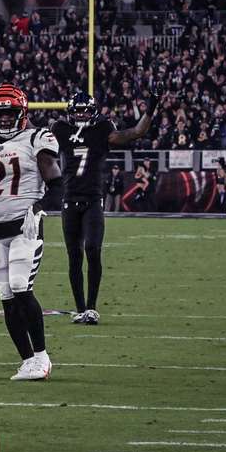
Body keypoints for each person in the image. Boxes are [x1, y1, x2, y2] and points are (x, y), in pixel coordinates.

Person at [0, 83, 64, 381]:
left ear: (21, 113)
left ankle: (42, 357)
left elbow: (57, 183)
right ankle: (26, 360)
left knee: (21, 285)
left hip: (26, 225)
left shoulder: (37, 138)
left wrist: (38, 208)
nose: (5, 119)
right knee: (6, 295)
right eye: (1, 114)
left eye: (10, 113)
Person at [52, 86, 162, 325]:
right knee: (74, 257)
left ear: (92, 112)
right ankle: (80, 308)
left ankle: (91, 308)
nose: (81, 116)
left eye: (84, 112)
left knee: (92, 249)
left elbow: (135, 132)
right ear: (70, 112)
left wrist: (152, 105)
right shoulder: (59, 129)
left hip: (92, 200)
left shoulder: (103, 128)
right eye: (77, 112)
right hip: (70, 200)